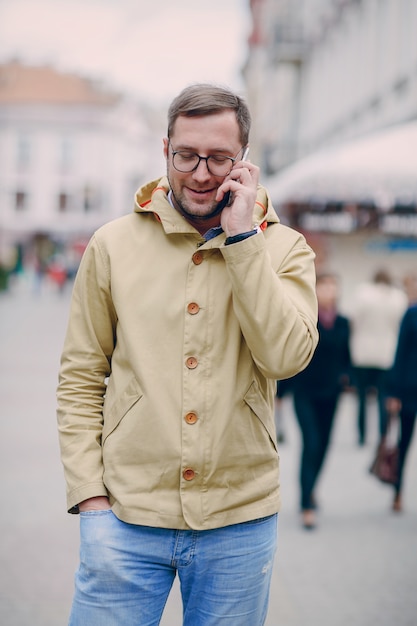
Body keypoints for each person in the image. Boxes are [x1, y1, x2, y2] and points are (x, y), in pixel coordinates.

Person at [57, 83, 319, 626]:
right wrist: (90, 499)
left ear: (244, 163)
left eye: (219, 158)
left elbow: (286, 358)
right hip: (126, 518)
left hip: (239, 521)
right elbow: (82, 376)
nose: (200, 173)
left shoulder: (284, 248)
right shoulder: (112, 245)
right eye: (186, 155)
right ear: (165, 151)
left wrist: (244, 239)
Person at [291, 272, 351, 530]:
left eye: (332, 287)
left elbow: (346, 355)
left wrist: (347, 379)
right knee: (311, 443)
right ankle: (306, 505)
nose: (328, 291)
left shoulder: (343, 322)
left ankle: (312, 488)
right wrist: (280, 393)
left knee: (324, 445)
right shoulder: (307, 317)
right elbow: (291, 353)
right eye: (323, 286)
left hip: (331, 393)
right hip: (304, 391)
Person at [349, 269, 407, 445]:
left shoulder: (362, 293)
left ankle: (362, 435)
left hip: (362, 352)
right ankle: (383, 433)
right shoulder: (398, 297)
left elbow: (354, 320)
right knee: (383, 396)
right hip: (387, 353)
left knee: (361, 397)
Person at [385, 273, 417, 513]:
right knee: (403, 443)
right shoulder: (411, 314)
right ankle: (397, 491)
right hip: (409, 390)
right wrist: (393, 392)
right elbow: (400, 353)